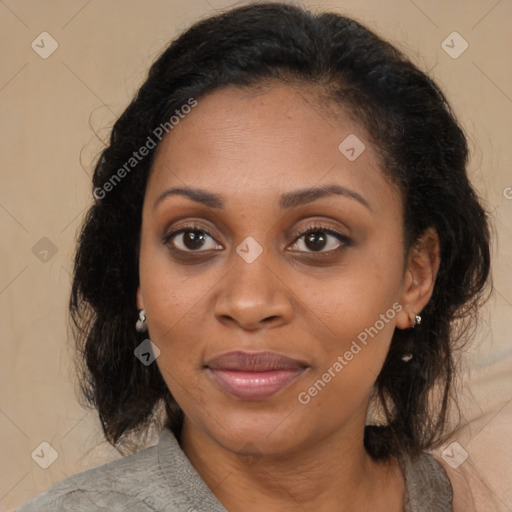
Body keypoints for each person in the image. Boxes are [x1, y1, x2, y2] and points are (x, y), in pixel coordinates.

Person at [17, 2, 491, 511]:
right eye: (193, 238)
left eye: (317, 240)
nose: (248, 303)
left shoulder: (481, 494)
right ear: (137, 273)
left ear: (414, 276)